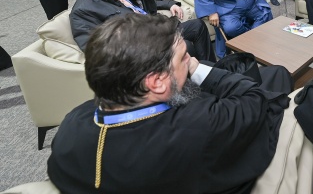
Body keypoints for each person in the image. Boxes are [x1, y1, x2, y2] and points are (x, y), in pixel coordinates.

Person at [48, 13, 293, 193]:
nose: (191, 59)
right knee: (277, 80)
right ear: (156, 82)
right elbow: (254, 99)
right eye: (184, 56)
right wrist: (198, 69)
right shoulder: (200, 124)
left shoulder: (72, 123)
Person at [69, 0, 215, 63]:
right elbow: (93, 47)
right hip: (142, 44)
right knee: (185, 45)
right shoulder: (84, 11)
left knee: (197, 26)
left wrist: (169, 3)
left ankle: (209, 69)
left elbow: (143, 1)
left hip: (158, 29)